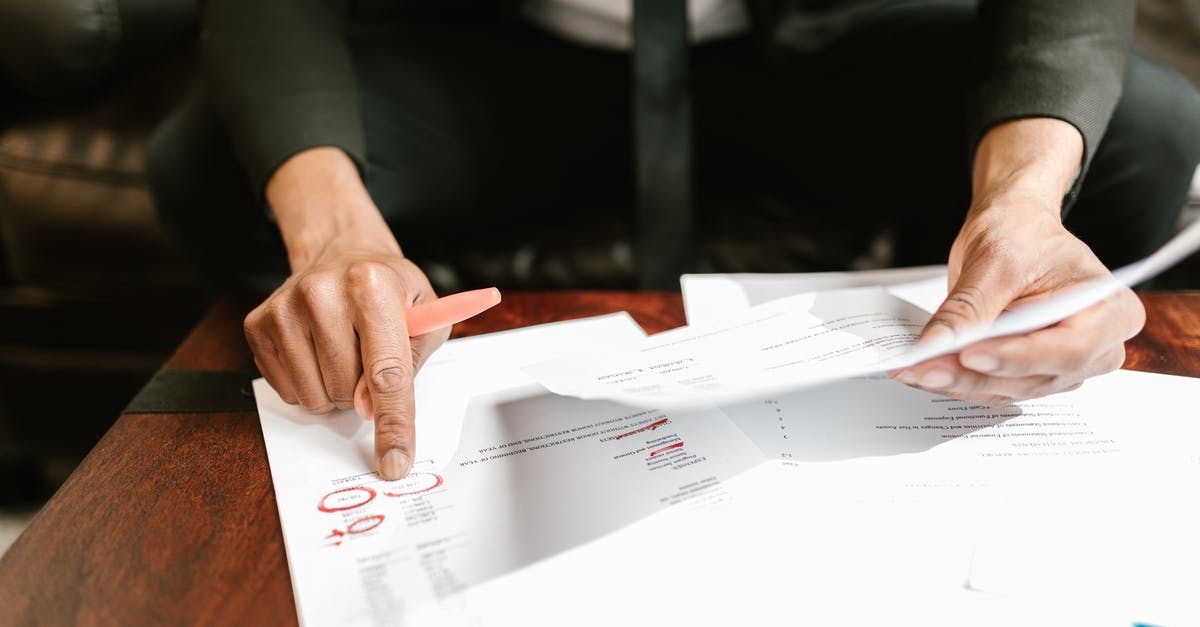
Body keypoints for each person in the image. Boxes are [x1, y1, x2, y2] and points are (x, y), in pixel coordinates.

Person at [148, 0, 1200, 480]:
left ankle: (992, 444)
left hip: (806, 55)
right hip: (522, 66)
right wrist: (334, 236)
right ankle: (337, 438)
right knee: (214, 154)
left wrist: (1023, 198)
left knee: (1143, 129)